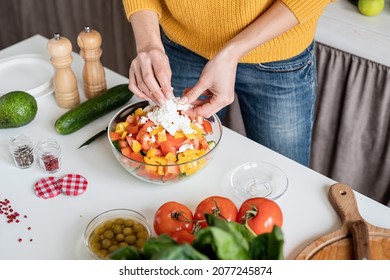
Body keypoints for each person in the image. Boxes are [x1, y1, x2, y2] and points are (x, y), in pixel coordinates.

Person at [122, 0, 334, 166]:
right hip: (181, 46)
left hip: (278, 58)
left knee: (284, 173)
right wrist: (148, 44)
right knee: (181, 168)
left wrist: (232, 52)